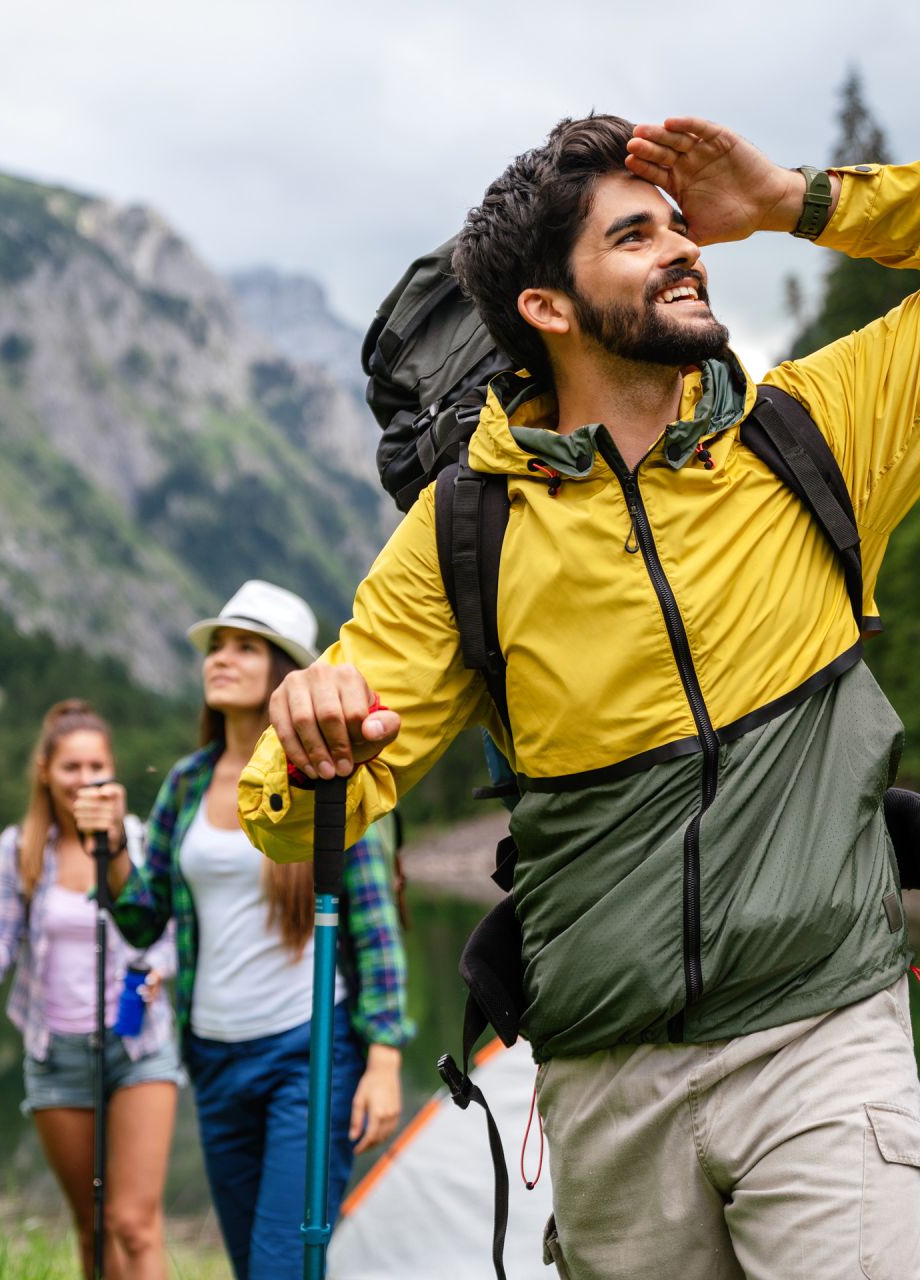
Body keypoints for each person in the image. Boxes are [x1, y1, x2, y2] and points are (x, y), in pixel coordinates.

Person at [238, 116, 920, 1278]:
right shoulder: (462, 530)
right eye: (635, 234)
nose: (683, 248)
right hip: (607, 1085)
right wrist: (309, 749)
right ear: (548, 308)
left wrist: (795, 198)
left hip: (824, 1034)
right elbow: (293, 817)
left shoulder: (818, 430)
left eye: (680, 227)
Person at [83, 579, 412, 1280]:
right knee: (253, 1265)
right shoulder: (185, 783)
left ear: (283, 672)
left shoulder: (331, 773)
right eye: (216, 646)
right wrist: (112, 849)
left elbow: (376, 923)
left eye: (244, 646)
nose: (219, 658)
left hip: (306, 1052)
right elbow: (143, 919)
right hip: (212, 1057)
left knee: (280, 1268)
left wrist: (384, 1060)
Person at [0, 698, 182, 1280]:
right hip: (56, 1054)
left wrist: (159, 972)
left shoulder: (138, 839)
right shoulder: (21, 849)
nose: (85, 779)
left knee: (135, 1224)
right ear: (45, 770)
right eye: (72, 767)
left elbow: (167, 936)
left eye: (98, 767)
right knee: (91, 1229)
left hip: (138, 1047)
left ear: (113, 772)